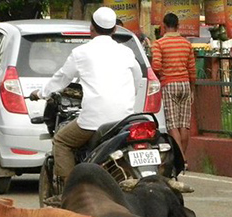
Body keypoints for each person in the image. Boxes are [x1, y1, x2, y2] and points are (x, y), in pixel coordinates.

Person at [30, 7, 141, 187]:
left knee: (61, 141)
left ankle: (70, 191)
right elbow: (137, 79)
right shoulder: (126, 52)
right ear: (114, 30)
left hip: (94, 120)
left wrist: (41, 93)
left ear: (91, 29)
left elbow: (61, 79)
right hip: (124, 120)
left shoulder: (81, 53)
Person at [151, 13, 195, 166]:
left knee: (172, 125)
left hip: (169, 84)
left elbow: (156, 66)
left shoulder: (158, 44)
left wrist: (162, 76)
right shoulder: (186, 44)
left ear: (163, 26)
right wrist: (192, 88)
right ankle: (183, 158)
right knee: (184, 124)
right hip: (185, 84)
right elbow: (192, 69)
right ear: (178, 25)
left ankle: (180, 158)